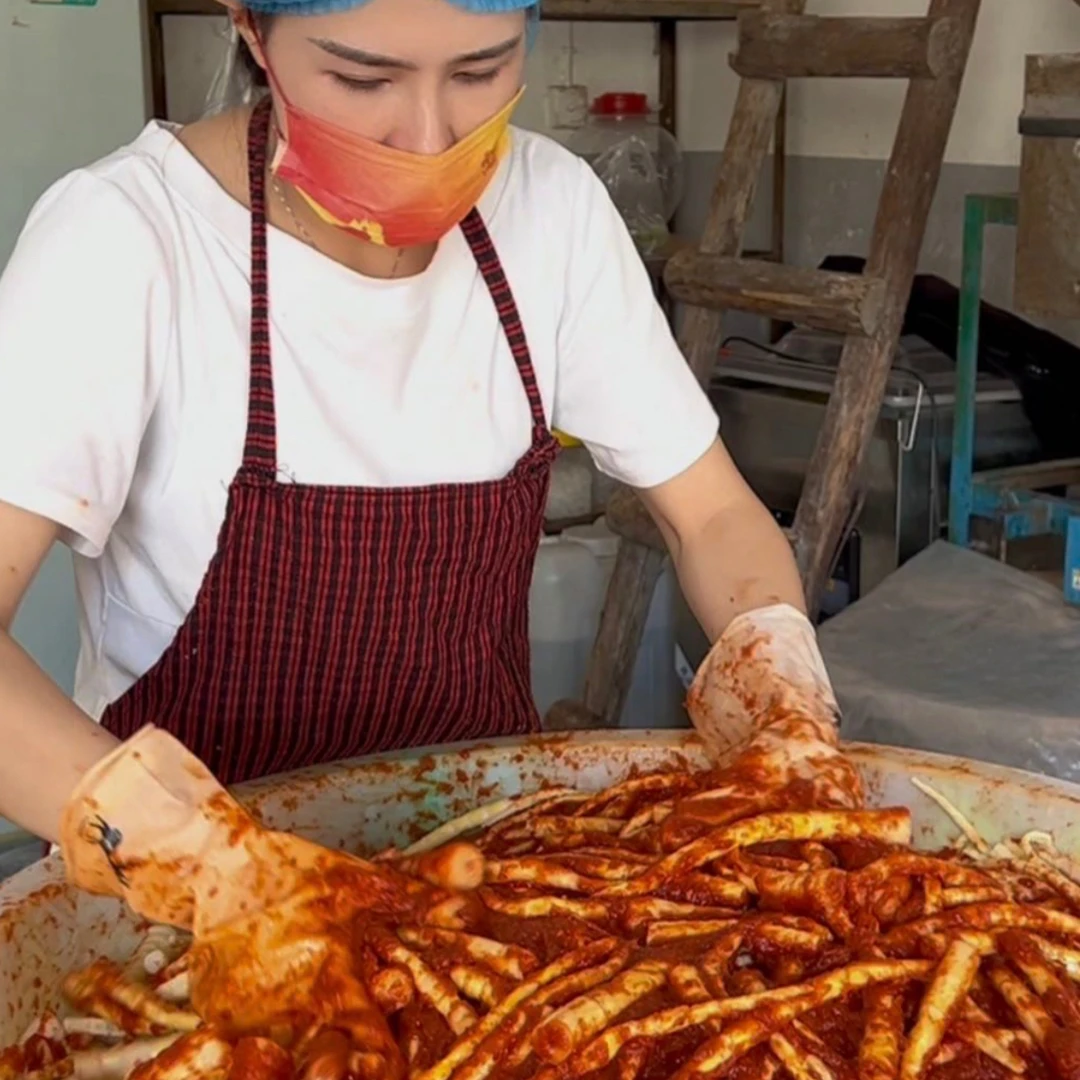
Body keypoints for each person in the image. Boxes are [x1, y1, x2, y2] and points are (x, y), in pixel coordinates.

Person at [0, 0, 838, 863]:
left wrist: (782, 699)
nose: (430, 138)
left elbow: (709, 514)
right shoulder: (128, 238)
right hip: (185, 925)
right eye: (363, 79)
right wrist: (213, 867)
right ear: (251, 27)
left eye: (480, 72)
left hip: (488, 881)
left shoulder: (549, 209)